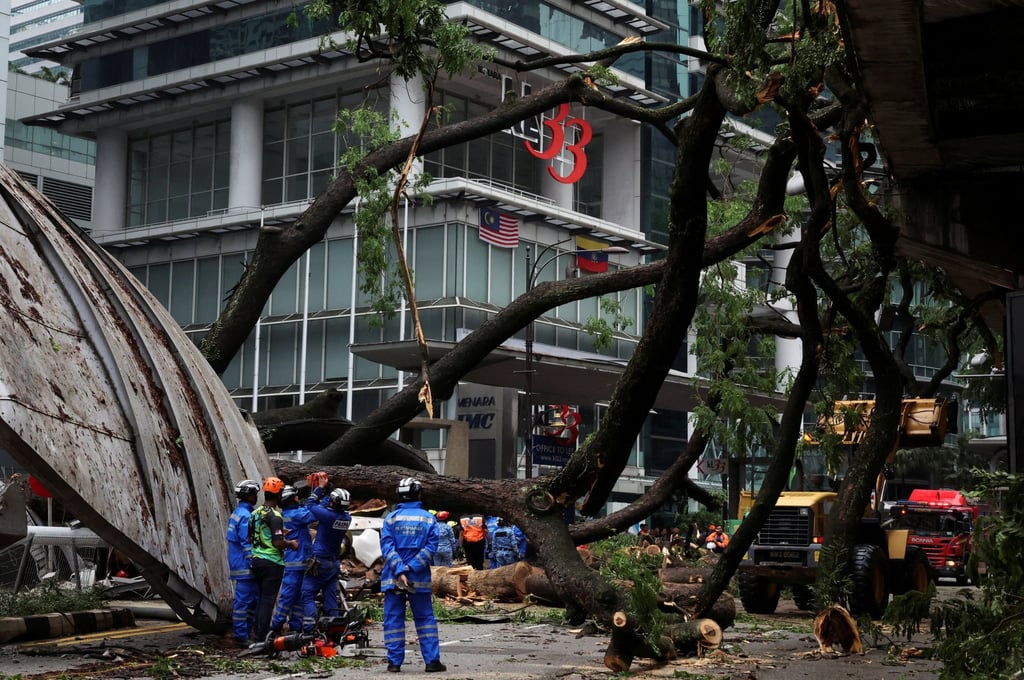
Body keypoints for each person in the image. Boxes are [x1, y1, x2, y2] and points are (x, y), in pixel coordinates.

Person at [380, 477, 445, 673]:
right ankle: (432, 662)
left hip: (393, 578)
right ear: (418, 494)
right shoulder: (428, 518)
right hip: (419, 577)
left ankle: (394, 663)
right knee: (425, 619)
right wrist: (411, 567)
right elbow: (430, 548)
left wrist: (400, 569)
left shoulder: (390, 518)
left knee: (393, 620)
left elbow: (387, 548)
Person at [299, 473, 353, 631]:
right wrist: (328, 491)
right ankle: (333, 630)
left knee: (307, 594)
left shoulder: (327, 516)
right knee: (330, 597)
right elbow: (325, 507)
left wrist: (319, 489)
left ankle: (309, 630)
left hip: (320, 562)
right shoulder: (346, 518)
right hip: (333, 563)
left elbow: (310, 505)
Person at [249, 477, 299, 641]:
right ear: (278, 495)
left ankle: (255, 631)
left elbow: (253, 537)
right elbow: (277, 543)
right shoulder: (275, 516)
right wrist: (290, 543)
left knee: (259, 598)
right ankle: (262, 637)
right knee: (267, 601)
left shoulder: (254, 514)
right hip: (272, 563)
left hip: (256, 560)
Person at [268, 485, 315, 636]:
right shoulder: (296, 515)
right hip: (296, 563)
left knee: (298, 596)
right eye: (296, 496)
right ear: (290, 499)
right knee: (288, 596)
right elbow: (313, 514)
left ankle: (295, 626)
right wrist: (318, 493)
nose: (298, 498)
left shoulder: (288, 514)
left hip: (297, 562)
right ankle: (276, 625)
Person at [226, 479, 260, 647]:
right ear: (250, 495)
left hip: (240, 563)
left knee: (251, 600)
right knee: (244, 601)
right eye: (255, 494)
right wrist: (253, 561)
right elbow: (247, 541)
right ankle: (241, 635)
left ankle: (246, 632)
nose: (256, 497)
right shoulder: (247, 516)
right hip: (244, 565)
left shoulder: (238, 512)